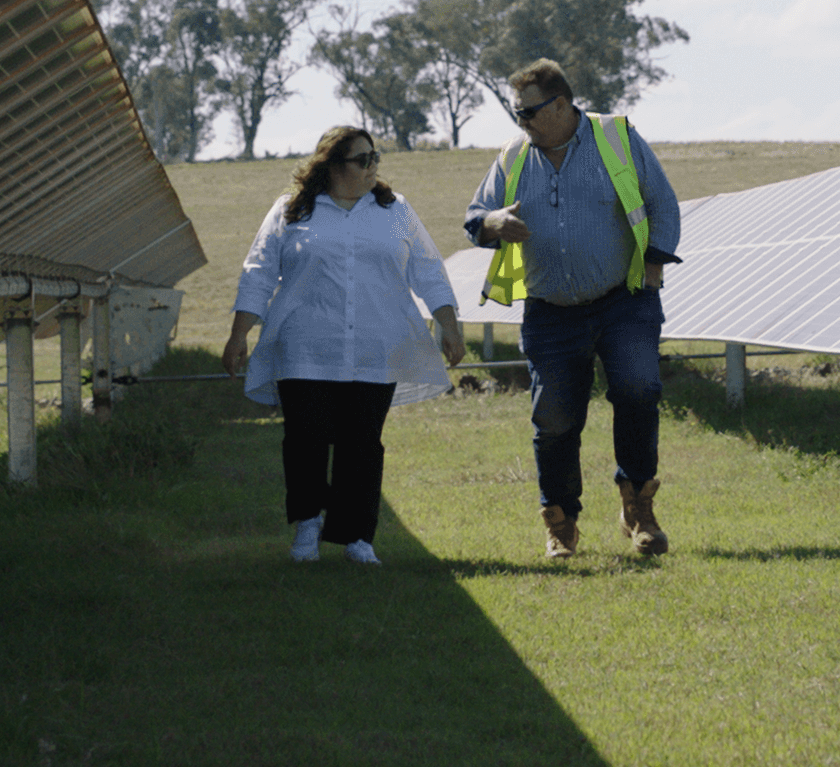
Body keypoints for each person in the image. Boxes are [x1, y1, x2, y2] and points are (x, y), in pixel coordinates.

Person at [463, 58, 683, 560]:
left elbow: (663, 204)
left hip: (623, 302)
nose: (521, 122)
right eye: (517, 114)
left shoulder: (616, 139)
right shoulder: (513, 155)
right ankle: (561, 523)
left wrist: (652, 267)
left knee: (637, 391)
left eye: (529, 113)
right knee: (556, 418)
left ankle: (638, 510)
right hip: (551, 310)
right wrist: (494, 221)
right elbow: (476, 217)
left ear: (561, 104)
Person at [221, 127, 466, 566]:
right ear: (333, 165)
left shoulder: (395, 210)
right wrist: (239, 334)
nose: (373, 167)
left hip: (375, 346)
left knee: (362, 442)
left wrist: (449, 323)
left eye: (376, 157)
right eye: (362, 159)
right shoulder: (292, 210)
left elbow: (427, 268)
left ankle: (357, 536)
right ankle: (308, 523)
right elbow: (258, 272)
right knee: (305, 439)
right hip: (304, 346)